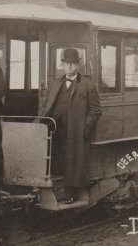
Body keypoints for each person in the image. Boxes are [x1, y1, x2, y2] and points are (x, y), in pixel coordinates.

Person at [43, 48, 101, 204]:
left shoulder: (87, 84)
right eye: (66, 63)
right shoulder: (56, 83)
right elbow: (46, 104)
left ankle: (71, 193)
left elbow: (95, 110)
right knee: (56, 159)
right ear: (62, 65)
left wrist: (85, 128)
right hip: (57, 129)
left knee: (73, 162)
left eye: (72, 64)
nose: (69, 67)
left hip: (77, 130)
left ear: (78, 65)